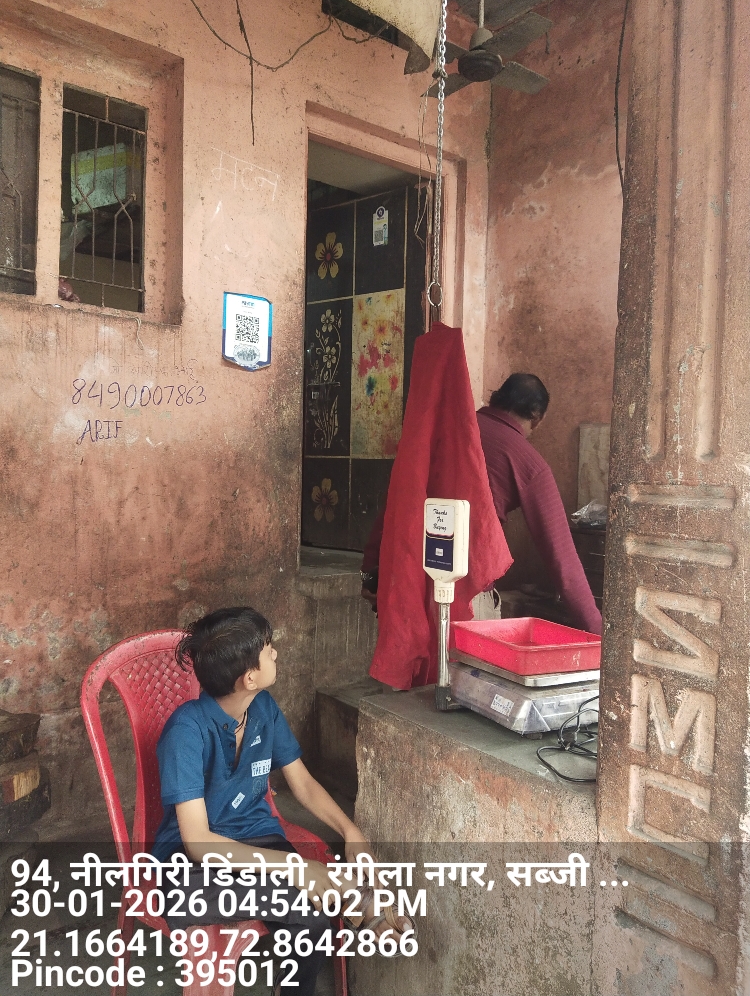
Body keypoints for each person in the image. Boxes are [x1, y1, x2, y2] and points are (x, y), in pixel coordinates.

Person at [152, 606, 414, 995]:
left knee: (313, 921)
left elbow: (302, 784)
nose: (275, 652)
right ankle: (357, 901)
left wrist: (350, 831)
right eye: (268, 648)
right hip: (193, 864)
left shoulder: (262, 708)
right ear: (249, 677)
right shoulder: (186, 731)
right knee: (306, 899)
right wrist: (296, 867)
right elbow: (198, 843)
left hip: (258, 839)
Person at [476, 373, 602, 634]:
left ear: (496, 398)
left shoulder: (456, 427)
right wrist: (597, 634)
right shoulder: (527, 461)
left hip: (414, 576)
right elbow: (563, 560)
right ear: (537, 417)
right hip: (470, 589)